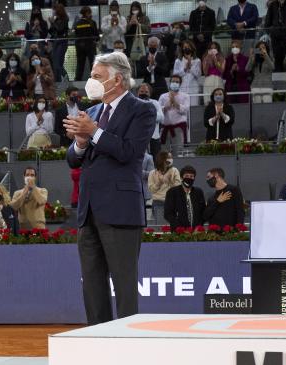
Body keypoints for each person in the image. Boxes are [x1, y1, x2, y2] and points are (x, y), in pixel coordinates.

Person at [64, 51, 156, 325]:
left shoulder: (142, 109)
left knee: (125, 286)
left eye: (96, 77)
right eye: (91, 76)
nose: (90, 82)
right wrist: (80, 142)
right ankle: (97, 341)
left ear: (117, 79)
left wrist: (93, 132)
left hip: (121, 210)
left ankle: (128, 344)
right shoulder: (90, 112)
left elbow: (129, 152)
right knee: (92, 285)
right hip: (88, 211)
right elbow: (72, 159)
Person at [164, 165, 206, 230]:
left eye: (191, 176)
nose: (189, 178)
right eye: (186, 176)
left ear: (194, 178)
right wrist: (179, 228)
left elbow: (203, 212)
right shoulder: (172, 192)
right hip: (179, 233)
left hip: (197, 232)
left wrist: (199, 227)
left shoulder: (198, 192)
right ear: (181, 177)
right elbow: (168, 214)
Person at [264, 0, 286, 72]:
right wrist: (273, 31)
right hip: (275, 38)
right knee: (277, 60)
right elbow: (267, 23)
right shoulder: (272, 5)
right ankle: (278, 79)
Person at [148, 151, 181, 225]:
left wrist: (169, 181)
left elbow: (178, 187)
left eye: (171, 157)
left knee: (173, 224)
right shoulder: (152, 173)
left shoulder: (174, 170)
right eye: (169, 157)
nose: (171, 159)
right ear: (162, 159)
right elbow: (151, 189)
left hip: (172, 202)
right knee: (160, 225)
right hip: (158, 202)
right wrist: (159, 182)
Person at [159, 75, 190, 148]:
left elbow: (185, 110)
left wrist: (174, 102)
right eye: (173, 81)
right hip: (165, 127)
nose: (175, 83)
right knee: (164, 152)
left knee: (178, 151)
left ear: (180, 84)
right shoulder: (163, 96)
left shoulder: (185, 96)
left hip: (179, 128)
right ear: (169, 83)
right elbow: (158, 110)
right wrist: (167, 106)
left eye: (177, 82)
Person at [136, 83, 163, 157]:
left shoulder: (155, 103)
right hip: (138, 137)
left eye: (146, 92)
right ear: (137, 92)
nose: (144, 93)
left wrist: (148, 113)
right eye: (141, 92)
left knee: (156, 159)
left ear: (150, 93)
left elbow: (161, 117)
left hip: (154, 137)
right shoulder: (133, 103)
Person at [73, 7, 99, 81]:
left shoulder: (77, 23)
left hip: (79, 47)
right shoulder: (92, 22)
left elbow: (76, 34)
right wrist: (96, 40)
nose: (90, 14)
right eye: (89, 13)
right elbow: (96, 35)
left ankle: (77, 81)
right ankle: (94, 80)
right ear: (87, 13)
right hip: (90, 46)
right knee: (93, 64)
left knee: (80, 65)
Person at [173, 40, 202, 105]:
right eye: (185, 47)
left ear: (192, 48)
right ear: (182, 49)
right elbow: (175, 75)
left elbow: (198, 75)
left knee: (193, 108)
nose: (187, 48)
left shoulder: (197, 60)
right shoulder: (178, 61)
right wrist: (185, 69)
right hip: (182, 89)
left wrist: (190, 67)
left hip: (193, 90)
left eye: (188, 47)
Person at [49, 3, 70, 82]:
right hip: (55, 42)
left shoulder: (65, 18)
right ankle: (58, 80)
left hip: (62, 42)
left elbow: (60, 29)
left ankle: (65, 79)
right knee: (55, 64)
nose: (53, 11)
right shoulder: (56, 19)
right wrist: (52, 22)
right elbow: (51, 31)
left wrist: (53, 23)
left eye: (54, 10)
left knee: (58, 64)